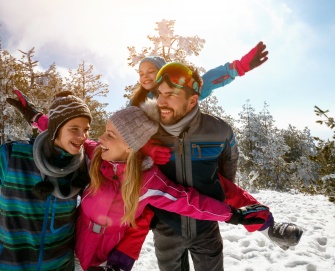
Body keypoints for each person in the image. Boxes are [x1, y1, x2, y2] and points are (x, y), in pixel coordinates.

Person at [73, 99, 268, 270]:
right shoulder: (97, 153)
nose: (101, 138)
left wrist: (233, 215)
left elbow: (190, 201)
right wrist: (45, 119)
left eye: (110, 134)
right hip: (72, 245)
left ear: (130, 145)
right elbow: (69, 135)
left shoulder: (148, 182)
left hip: (106, 257)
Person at [148, 61, 303, 271]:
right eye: (160, 93)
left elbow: (227, 174)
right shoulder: (148, 130)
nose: (161, 101)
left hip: (206, 229)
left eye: (171, 95)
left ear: (193, 100)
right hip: (166, 229)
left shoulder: (218, 131)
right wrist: (143, 147)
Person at [0, 91, 92, 271]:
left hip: (60, 265)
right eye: (74, 128)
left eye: (86, 129)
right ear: (55, 129)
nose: (83, 136)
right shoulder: (13, 155)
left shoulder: (81, 166)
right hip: (13, 264)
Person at [130, 41, 268, 106]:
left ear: (163, 74)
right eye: (141, 74)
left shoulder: (178, 93)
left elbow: (205, 82)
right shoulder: (137, 100)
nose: (145, 76)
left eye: (151, 71)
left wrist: (238, 67)